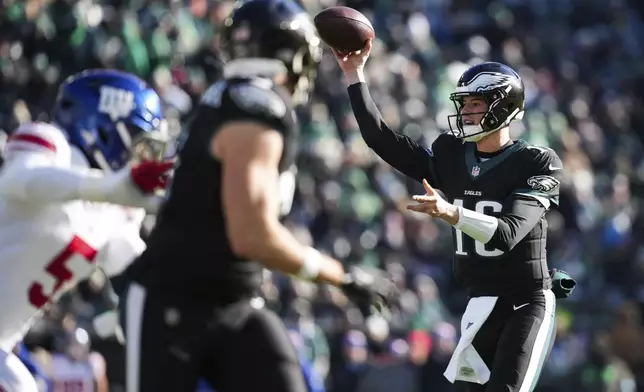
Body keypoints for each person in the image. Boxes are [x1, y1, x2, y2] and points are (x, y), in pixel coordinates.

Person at [116, 1, 398, 391]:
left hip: (234, 300)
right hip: (172, 301)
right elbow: (252, 235)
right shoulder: (257, 107)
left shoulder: (229, 95)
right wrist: (341, 276)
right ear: (291, 55)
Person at [334, 39, 562, 391]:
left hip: (525, 301)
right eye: (464, 104)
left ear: (504, 108)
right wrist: (354, 74)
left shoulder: (536, 162)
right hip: (479, 300)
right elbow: (380, 139)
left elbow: (507, 232)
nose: (466, 112)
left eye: (476, 103)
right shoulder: (453, 155)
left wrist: (452, 213)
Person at [0, 69, 172, 391]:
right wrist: (108, 188)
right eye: (138, 143)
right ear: (107, 129)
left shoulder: (115, 216)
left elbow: (147, 279)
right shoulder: (52, 146)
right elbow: (25, 179)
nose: (142, 158)